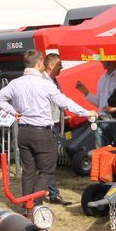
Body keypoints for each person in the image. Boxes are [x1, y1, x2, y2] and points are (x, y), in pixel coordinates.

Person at [0, 50, 96, 205]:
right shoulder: (45, 84)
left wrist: (14, 112)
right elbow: (65, 102)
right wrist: (87, 112)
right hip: (42, 133)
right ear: (40, 63)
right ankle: (35, 204)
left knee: (28, 171)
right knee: (46, 171)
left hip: (23, 132)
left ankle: (27, 206)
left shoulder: (15, 83)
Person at [75, 61, 116, 148]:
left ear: (112, 59)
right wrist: (86, 92)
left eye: (103, 59)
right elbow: (99, 104)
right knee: (101, 154)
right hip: (102, 121)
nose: (101, 61)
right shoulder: (102, 79)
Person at [42, 53, 70, 205]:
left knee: (48, 161)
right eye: (59, 65)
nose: (62, 67)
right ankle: (53, 194)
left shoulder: (54, 81)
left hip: (53, 124)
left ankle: (46, 191)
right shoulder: (43, 82)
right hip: (46, 126)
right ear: (51, 66)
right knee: (49, 161)